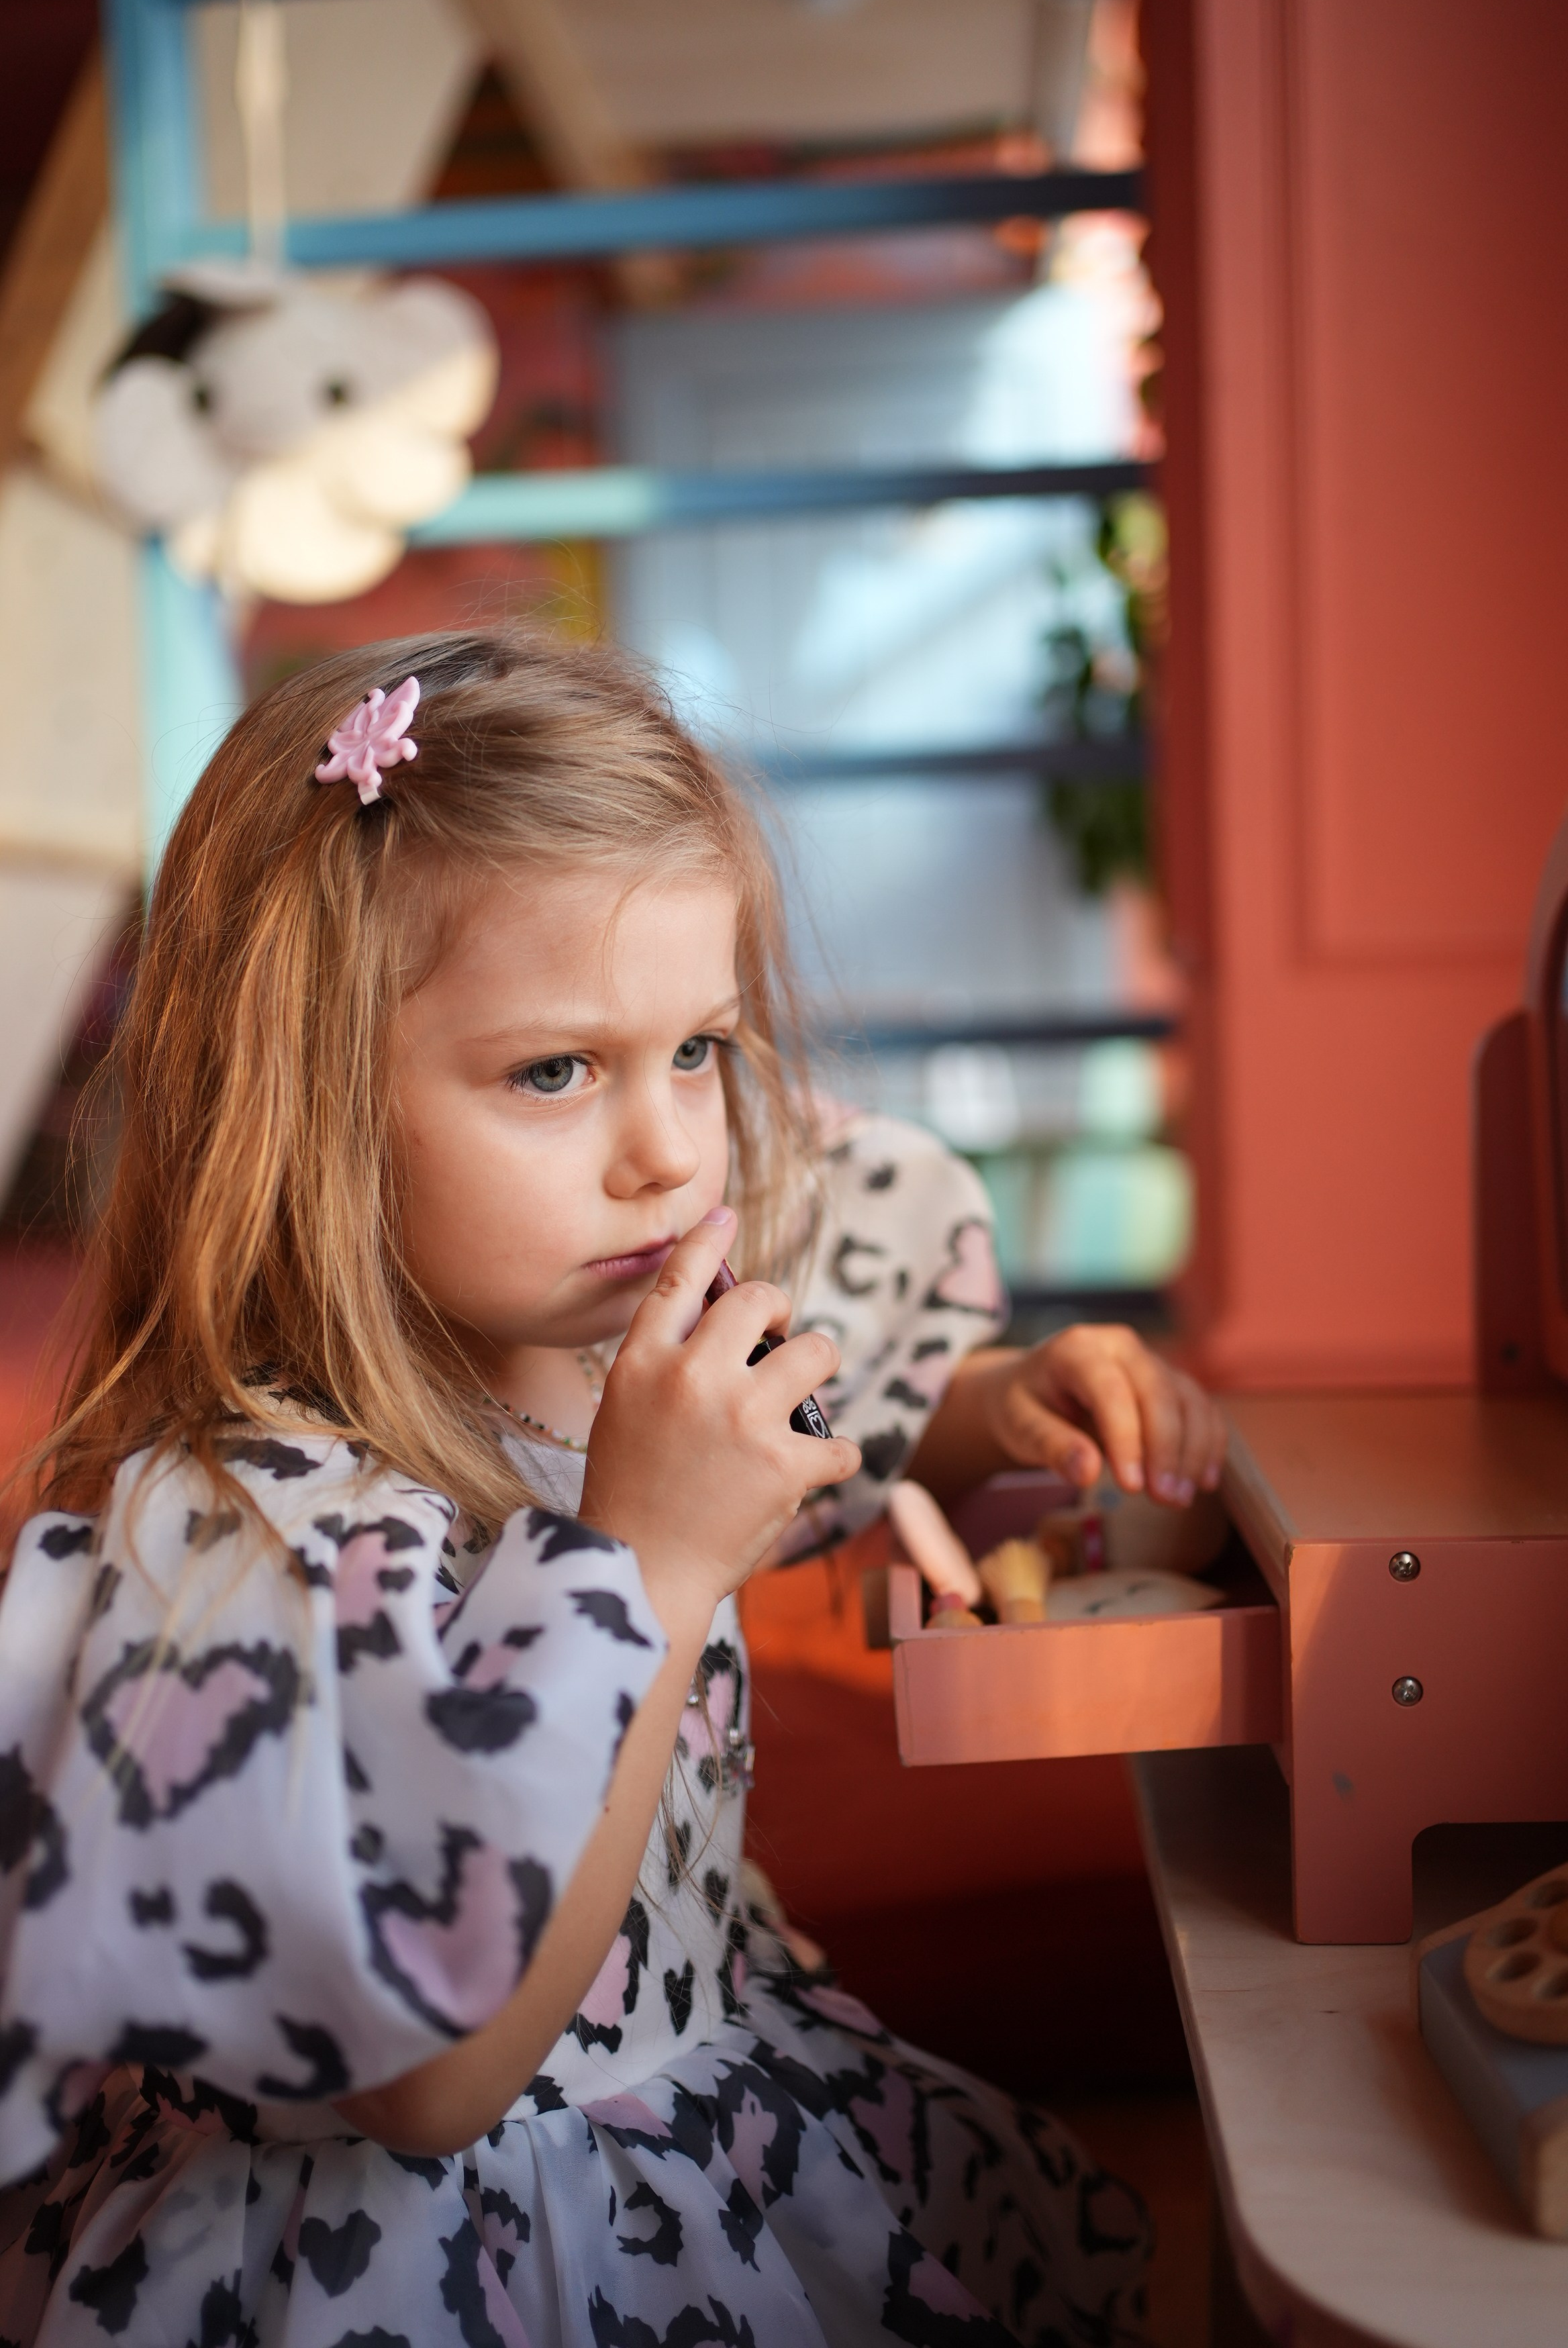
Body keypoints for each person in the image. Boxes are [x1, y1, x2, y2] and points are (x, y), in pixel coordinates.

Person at [0, 631, 1224, 2347]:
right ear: (314, 1107)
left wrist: (1001, 1403)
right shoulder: (253, 1533)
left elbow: (821, 1408)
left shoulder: (618, 1342)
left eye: (700, 1050)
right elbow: (434, 2083)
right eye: (555, 1072)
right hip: (442, 2261)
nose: (664, 1149)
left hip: (703, 2130)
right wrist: (639, 1568)